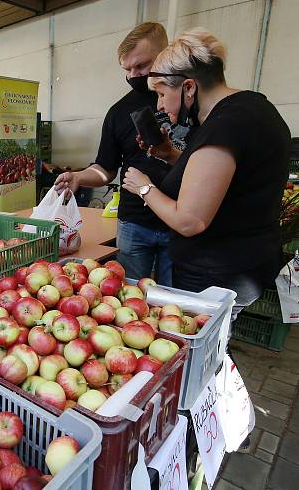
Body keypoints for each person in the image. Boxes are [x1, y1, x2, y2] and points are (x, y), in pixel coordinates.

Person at [122, 27, 290, 315]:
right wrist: (171, 156)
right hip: (247, 263)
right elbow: (223, 180)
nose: (160, 105)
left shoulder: (225, 126)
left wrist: (144, 188)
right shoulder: (254, 109)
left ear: (189, 87)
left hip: (215, 276)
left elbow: (190, 220)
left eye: (162, 94)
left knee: (203, 351)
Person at [54, 22, 174, 285]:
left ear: (164, 56)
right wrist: (79, 177)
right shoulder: (119, 112)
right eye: (127, 69)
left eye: (141, 66)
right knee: (127, 297)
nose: (134, 75)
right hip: (135, 223)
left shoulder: (188, 103)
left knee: (177, 301)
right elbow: (105, 168)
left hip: (180, 223)